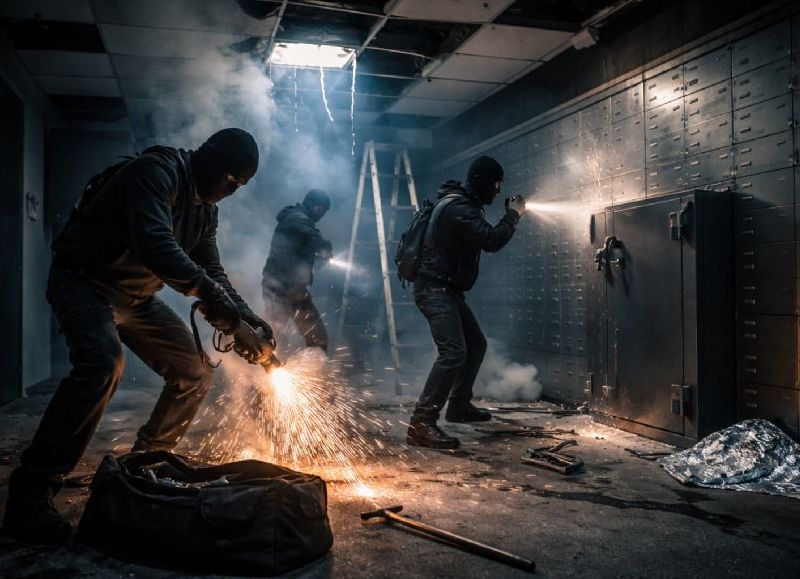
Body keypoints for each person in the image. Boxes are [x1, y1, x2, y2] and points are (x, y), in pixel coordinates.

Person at [2, 128, 273, 544]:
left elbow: (212, 271)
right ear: (212, 160)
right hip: (85, 281)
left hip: (137, 296)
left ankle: (141, 467)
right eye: (232, 182)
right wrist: (225, 314)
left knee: (194, 373)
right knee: (102, 364)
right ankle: (31, 494)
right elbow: (157, 247)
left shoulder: (205, 210)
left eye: (241, 187)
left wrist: (248, 319)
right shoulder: (156, 172)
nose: (231, 192)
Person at [407, 156, 526, 449]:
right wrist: (513, 215)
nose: (498, 191)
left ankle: (459, 406)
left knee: (476, 344)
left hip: (445, 289)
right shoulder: (459, 207)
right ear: (484, 181)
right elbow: (491, 240)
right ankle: (421, 423)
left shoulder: (460, 202)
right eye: (496, 184)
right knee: (453, 352)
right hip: (436, 289)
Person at [262, 189, 332, 353]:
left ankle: (315, 373)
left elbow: (302, 254)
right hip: (278, 289)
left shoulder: (299, 220)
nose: (321, 215)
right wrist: (322, 245)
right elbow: (306, 233)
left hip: (294, 289)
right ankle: (258, 371)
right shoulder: (296, 218)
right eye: (320, 209)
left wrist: (321, 258)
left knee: (317, 337)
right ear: (310, 203)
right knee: (273, 336)